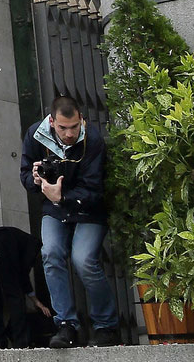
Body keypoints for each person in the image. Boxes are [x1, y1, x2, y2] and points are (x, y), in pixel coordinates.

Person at [20, 93, 121, 348]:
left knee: (84, 260)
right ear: (52, 122)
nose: (69, 134)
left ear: (82, 119)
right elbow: (25, 174)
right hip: (54, 208)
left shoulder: (93, 140)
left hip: (88, 209)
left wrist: (62, 195)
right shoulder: (36, 135)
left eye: (74, 127)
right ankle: (66, 324)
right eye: (63, 128)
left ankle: (106, 325)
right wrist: (35, 180)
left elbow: (94, 190)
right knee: (51, 253)